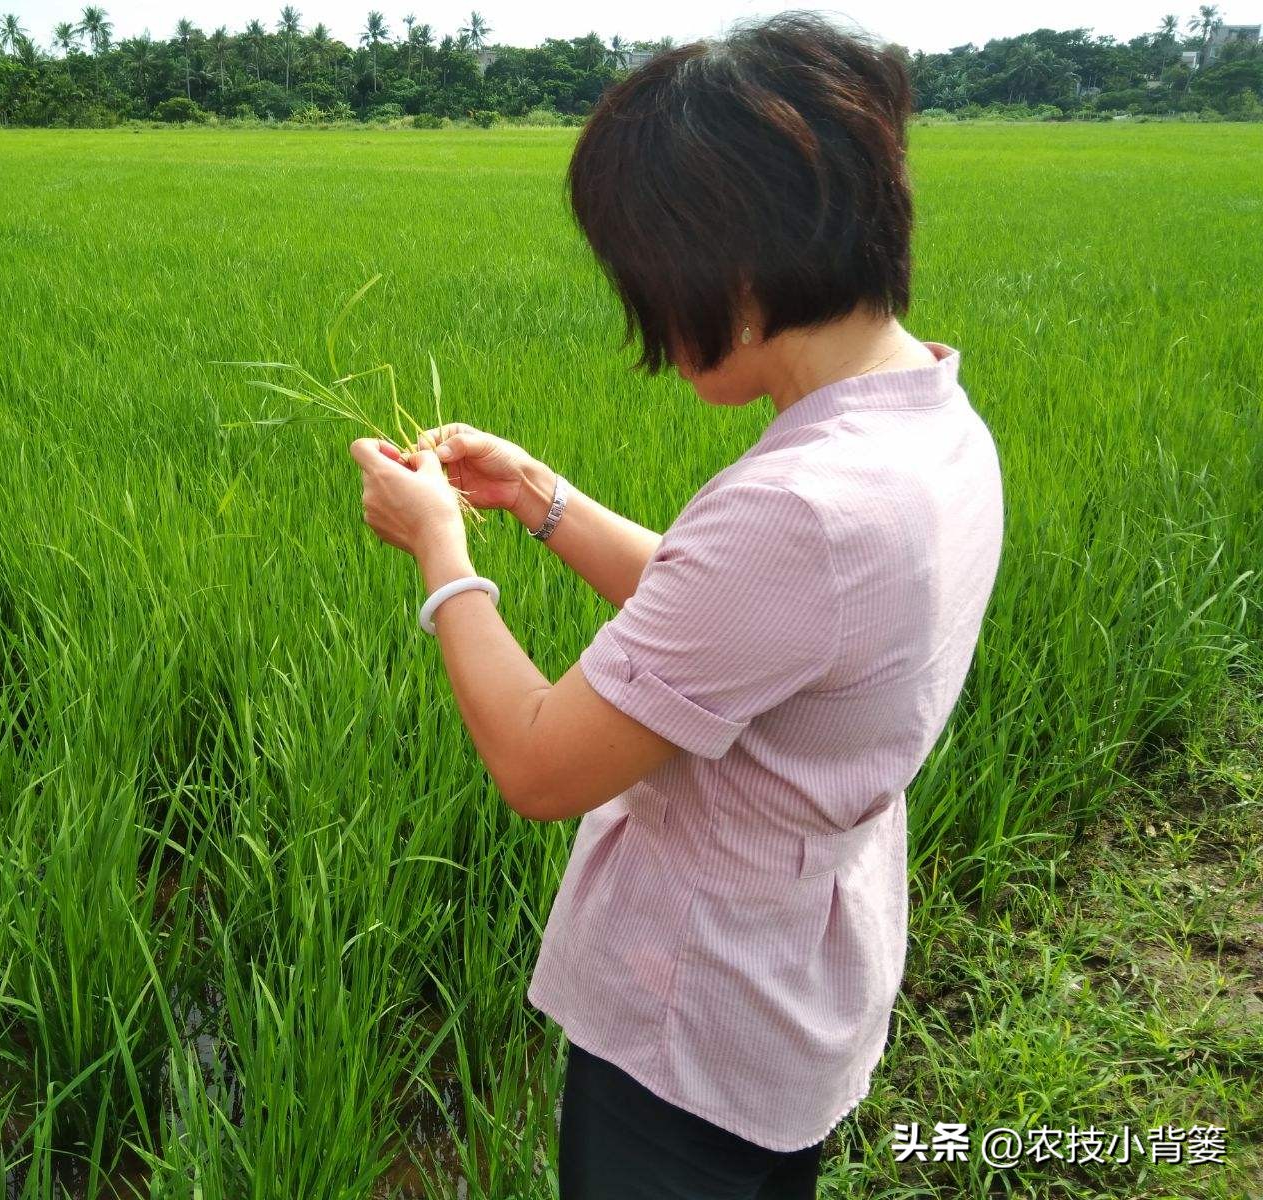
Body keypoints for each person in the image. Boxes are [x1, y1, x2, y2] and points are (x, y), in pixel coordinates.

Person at [347, 14, 1003, 1198]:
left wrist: (442, 555)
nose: (640, 310)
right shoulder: (927, 419)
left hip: (691, 1029)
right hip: (795, 993)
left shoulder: (799, 509)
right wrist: (539, 497)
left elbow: (540, 768)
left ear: (731, 267)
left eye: (642, 272)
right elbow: (750, 627)